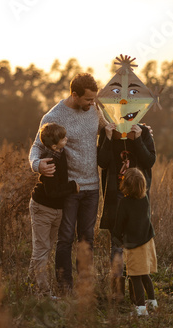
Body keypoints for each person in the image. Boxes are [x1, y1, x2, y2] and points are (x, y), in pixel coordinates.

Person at [29, 73, 103, 293]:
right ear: (74, 95)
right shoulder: (54, 115)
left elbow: (110, 128)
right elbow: (36, 146)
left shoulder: (94, 110)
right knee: (66, 238)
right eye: (88, 100)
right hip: (70, 188)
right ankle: (65, 287)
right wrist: (37, 164)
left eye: (94, 99)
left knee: (87, 237)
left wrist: (142, 130)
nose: (93, 104)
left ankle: (85, 286)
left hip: (92, 187)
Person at [97, 121, 156, 300]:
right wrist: (107, 138)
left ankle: (135, 292)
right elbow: (102, 162)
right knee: (117, 241)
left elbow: (149, 161)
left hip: (138, 196)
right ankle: (117, 292)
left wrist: (138, 139)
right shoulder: (107, 131)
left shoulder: (143, 131)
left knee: (136, 240)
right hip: (115, 194)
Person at [28, 123, 80, 296]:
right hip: (43, 208)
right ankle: (43, 292)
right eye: (63, 138)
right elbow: (53, 192)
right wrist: (72, 186)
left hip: (56, 210)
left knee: (45, 248)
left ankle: (30, 286)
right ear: (53, 145)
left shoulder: (60, 152)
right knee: (41, 250)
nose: (67, 139)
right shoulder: (49, 162)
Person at [111, 167, 158, 316]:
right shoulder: (145, 198)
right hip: (147, 242)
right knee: (145, 274)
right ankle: (152, 303)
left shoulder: (125, 202)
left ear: (126, 185)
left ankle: (140, 310)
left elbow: (119, 224)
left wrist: (116, 237)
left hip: (134, 245)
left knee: (135, 276)